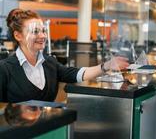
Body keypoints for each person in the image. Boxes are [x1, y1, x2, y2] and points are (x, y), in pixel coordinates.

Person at [0, 9, 129, 103]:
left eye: (43, 31)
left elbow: (75, 74)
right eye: (35, 31)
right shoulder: (5, 68)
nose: (43, 36)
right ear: (18, 36)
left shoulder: (50, 63)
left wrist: (106, 66)